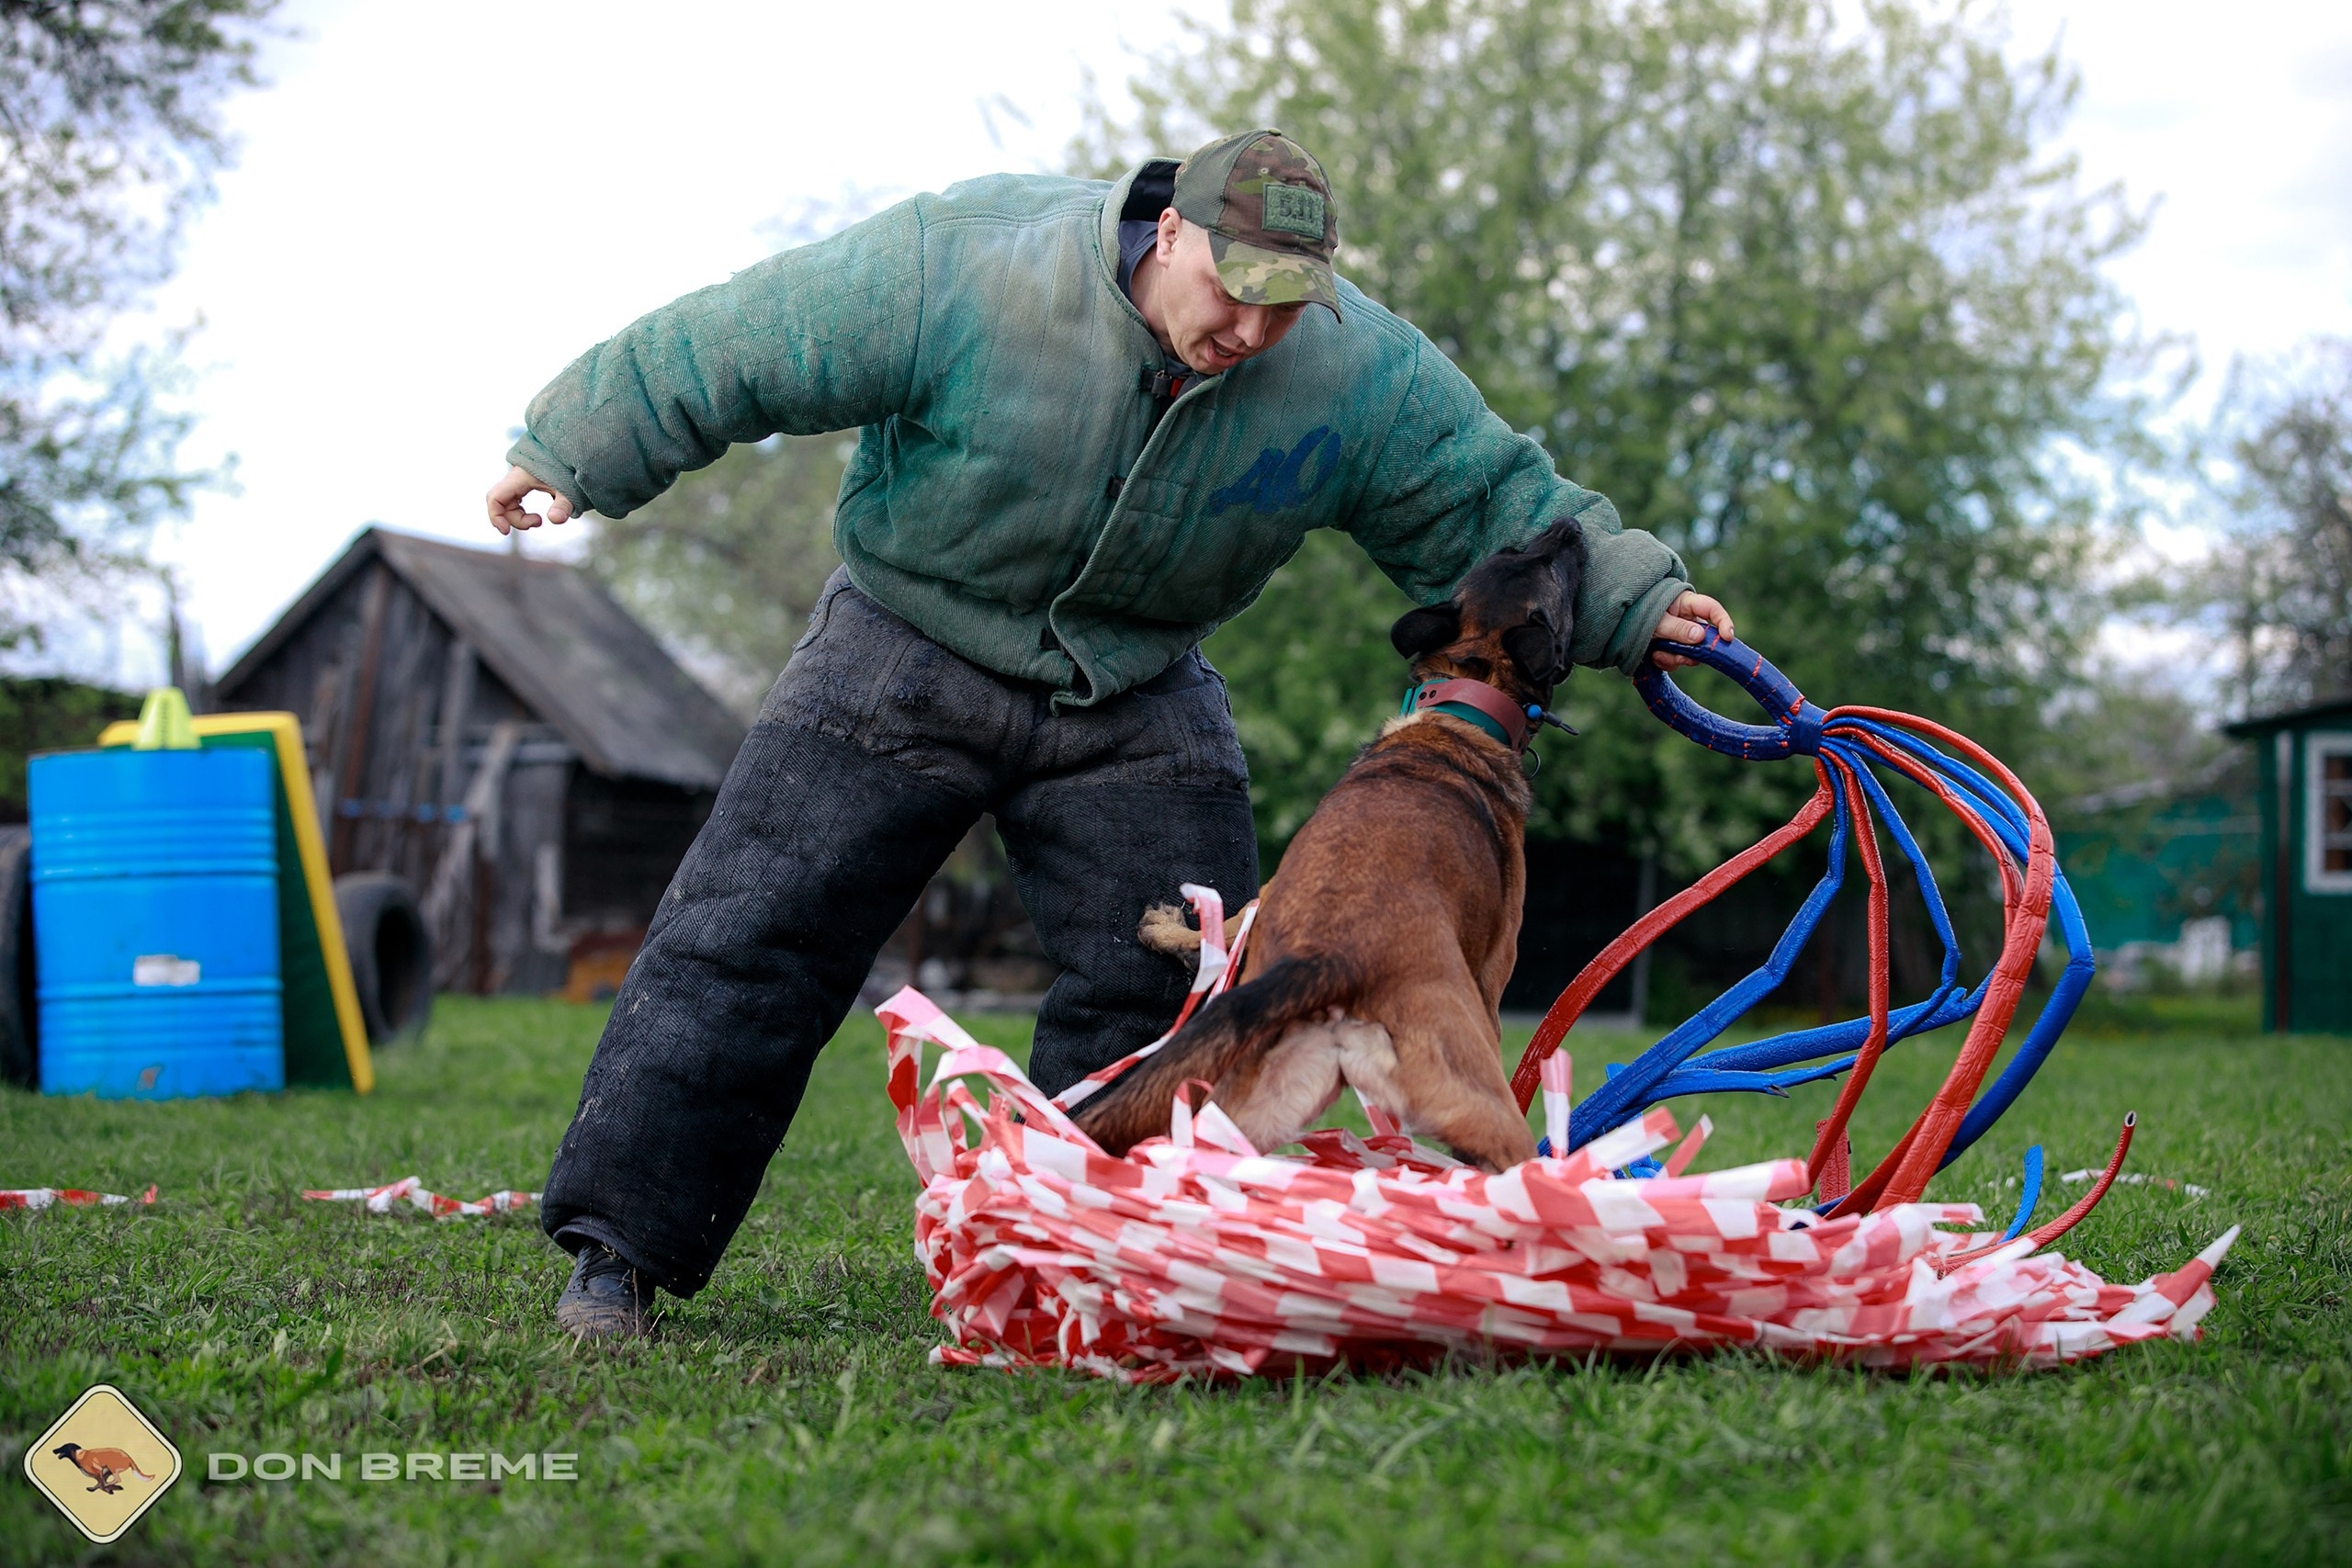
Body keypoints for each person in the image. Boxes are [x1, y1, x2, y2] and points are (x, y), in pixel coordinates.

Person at [486, 130, 1733, 1338]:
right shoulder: (969, 259)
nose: (1252, 331)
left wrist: (1634, 601)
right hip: (905, 640)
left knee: (1182, 976)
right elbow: (749, 340)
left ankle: (1093, 1257)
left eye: (1286, 307)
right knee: (752, 931)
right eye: (1233, 291)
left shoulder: (1361, 375)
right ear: (1169, 228)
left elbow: (1493, 500)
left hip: (1135, 682)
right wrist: (572, 448)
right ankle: (620, 1255)